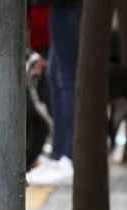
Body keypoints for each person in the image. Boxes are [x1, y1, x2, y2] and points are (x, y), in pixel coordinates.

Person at [27, 0, 82, 186]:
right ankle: (59, 154)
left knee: (66, 79)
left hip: (66, 6)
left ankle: (69, 156)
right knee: (56, 77)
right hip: (59, 6)